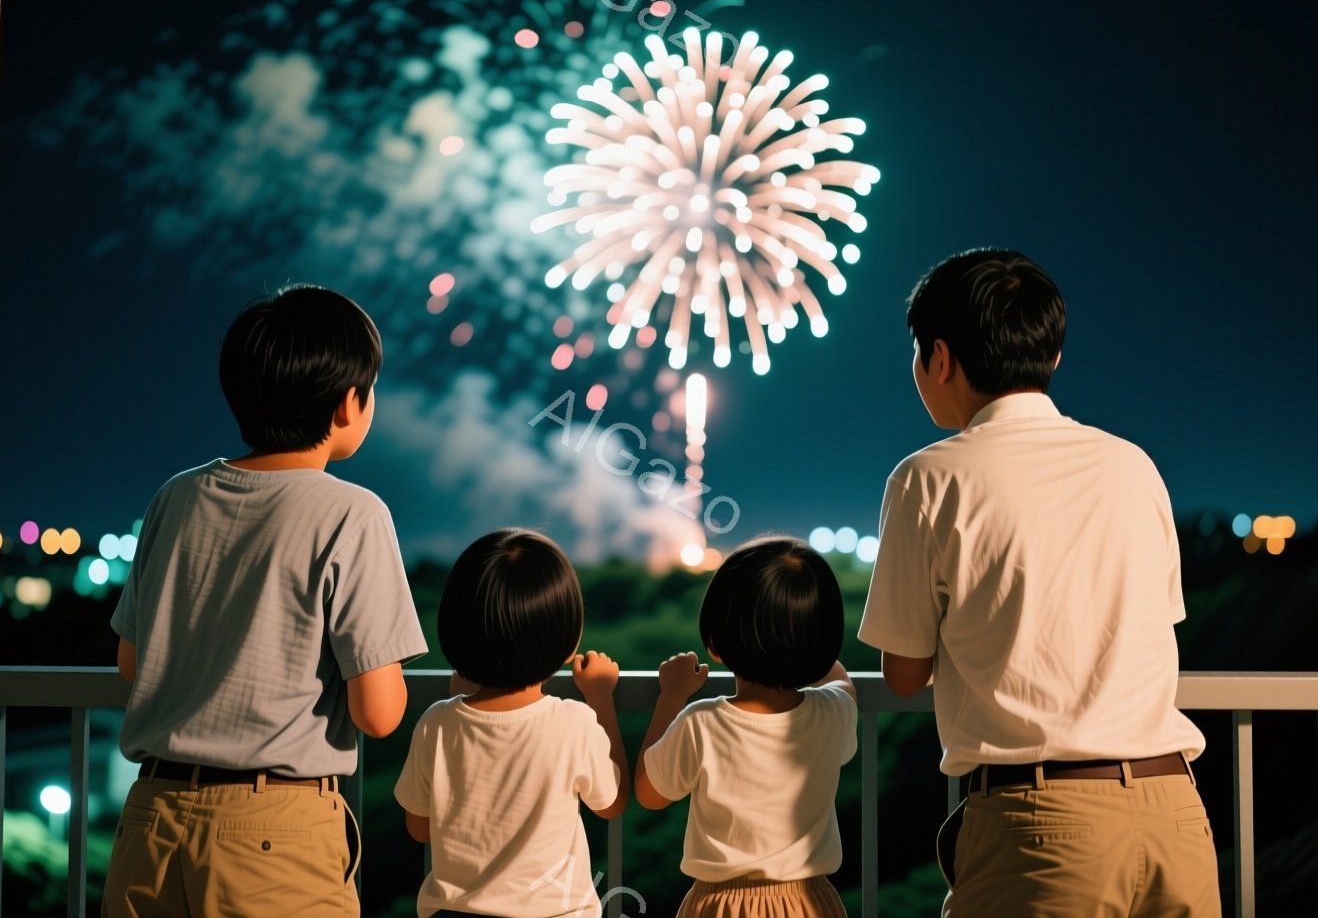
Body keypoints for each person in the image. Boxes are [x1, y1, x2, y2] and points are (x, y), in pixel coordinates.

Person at [857, 248, 1219, 915]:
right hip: (1176, 814)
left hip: (1043, 825)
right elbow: (1153, 624)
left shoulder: (929, 478)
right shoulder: (1133, 466)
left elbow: (904, 674)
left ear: (938, 358)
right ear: (1050, 359)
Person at [102, 285, 428, 918]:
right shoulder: (352, 512)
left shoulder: (176, 495)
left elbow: (133, 665)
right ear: (345, 405)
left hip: (150, 820)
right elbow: (379, 712)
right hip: (271, 834)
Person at [394, 528, 629, 918]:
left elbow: (420, 827)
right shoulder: (573, 722)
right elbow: (612, 802)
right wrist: (601, 697)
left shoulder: (437, 722)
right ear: (568, 641)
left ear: (456, 633)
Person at [635, 536, 857, 918]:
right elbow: (843, 682)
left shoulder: (701, 722)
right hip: (809, 902)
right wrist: (809, 650)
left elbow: (649, 793)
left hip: (722, 903)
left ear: (716, 645)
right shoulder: (832, 713)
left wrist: (671, 696)